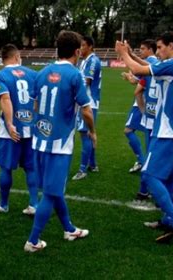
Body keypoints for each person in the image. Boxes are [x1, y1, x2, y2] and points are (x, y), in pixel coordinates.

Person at [24, 31, 97, 252]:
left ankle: (69, 228)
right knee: (51, 193)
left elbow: (35, 106)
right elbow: (86, 111)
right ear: (77, 51)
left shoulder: (41, 73)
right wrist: (92, 132)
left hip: (39, 141)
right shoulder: (75, 75)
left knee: (53, 189)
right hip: (59, 144)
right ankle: (33, 241)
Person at [115, 31, 173, 243]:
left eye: (160, 47)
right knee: (169, 177)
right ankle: (168, 218)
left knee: (149, 176)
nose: (158, 52)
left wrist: (123, 54)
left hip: (168, 131)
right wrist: (130, 53)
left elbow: (140, 69)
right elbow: (149, 67)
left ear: (172, 45)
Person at [0, 44, 39, 215]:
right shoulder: (33, 74)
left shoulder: (0, 76)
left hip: (9, 132)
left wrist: (10, 123)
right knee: (31, 167)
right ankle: (34, 204)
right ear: (17, 56)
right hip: (31, 129)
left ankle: (4, 204)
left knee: (6, 168)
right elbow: (39, 97)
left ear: (3, 59)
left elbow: (5, 98)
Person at [123, 40, 160, 203]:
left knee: (129, 131)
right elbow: (139, 81)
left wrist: (127, 54)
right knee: (157, 155)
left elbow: (138, 87)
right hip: (154, 113)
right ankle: (146, 189)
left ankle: (142, 162)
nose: (141, 52)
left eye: (143, 49)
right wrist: (131, 77)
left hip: (148, 110)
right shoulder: (158, 65)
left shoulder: (152, 63)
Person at [72, 35, 101, 180]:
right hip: (84, 101)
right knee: (87, 133)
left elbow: (87, 81)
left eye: (83, 45)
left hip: (89, 102)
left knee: (85, 134)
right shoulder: (85, 61)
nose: (81, 48)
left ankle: (82, 169)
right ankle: (93, 164)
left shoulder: (93, 61)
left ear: (90, 46)